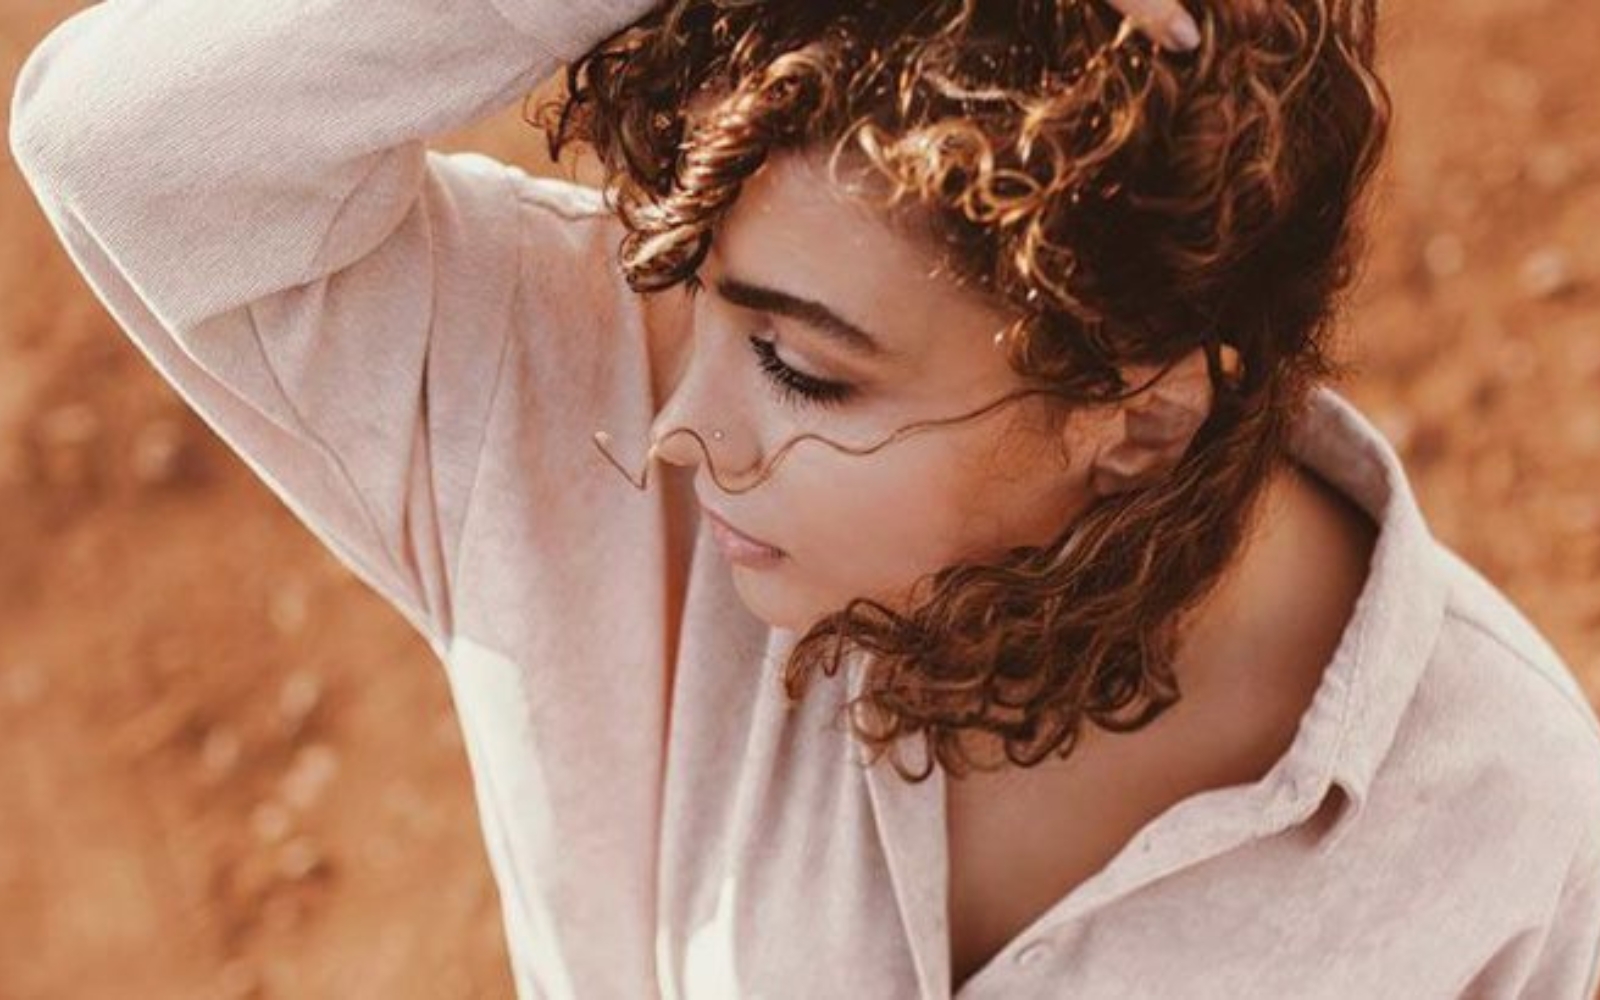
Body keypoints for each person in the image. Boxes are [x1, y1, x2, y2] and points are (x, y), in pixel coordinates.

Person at [9, 0, 1600, 996]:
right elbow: (130, 141)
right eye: (694, 291)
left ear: (1138, 420)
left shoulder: (1502, 824)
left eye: (807, 371)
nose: (679, 431)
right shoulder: (569, 401)